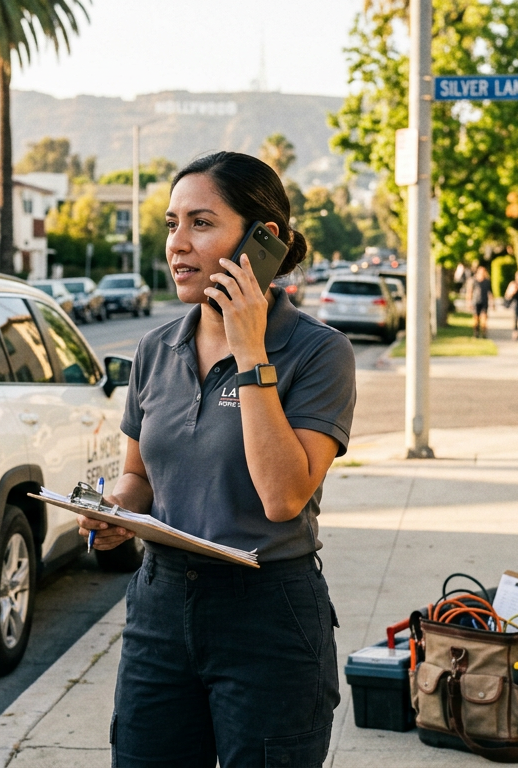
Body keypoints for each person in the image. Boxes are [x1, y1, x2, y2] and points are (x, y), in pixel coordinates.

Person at [77, 151, 356, 768]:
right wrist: (113, 510)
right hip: (160, 607)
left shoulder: (318, 353)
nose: (178, 244)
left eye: (201, 224)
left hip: (269, 615)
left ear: (263, 241)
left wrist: (250, 350)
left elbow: (284, 497)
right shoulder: (154, 349)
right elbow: (137, 477)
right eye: (172, 224)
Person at [469, 265, 492, 339]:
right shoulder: (474, 281)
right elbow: (470, 292)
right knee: (476, 319)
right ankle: (476, 333)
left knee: (484, 319)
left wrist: (492, 303)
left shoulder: (487, 281)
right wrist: (469, 302)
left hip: (484, 302)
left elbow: (490, 292)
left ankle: (484, 333)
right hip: (476, 302)